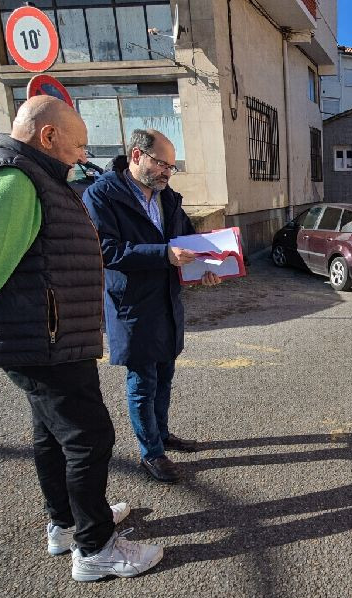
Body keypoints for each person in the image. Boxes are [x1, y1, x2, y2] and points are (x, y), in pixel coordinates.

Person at [0, 96, 163, 582]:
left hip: (51, 335)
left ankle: (67, 523)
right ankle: (96, 548)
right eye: (78, 145)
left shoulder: (37, 177)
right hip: (45, 337)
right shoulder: (16, 181)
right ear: (48, 136)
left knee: (53, 434)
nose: (83, 155)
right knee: (89, 438)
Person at [82, 129, 220, 485]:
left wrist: (203, 269)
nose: (167, 173)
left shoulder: (167, 197)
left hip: (167, 301)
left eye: (172, 167)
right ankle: (151, 453)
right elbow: (106, 251)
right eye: (162, 164)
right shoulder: (102, 195)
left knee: (165, 377)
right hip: (132, 304)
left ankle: (162, 435)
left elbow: (187, 241)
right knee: (143, 382)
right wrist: (164, 255)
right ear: (136, 155)